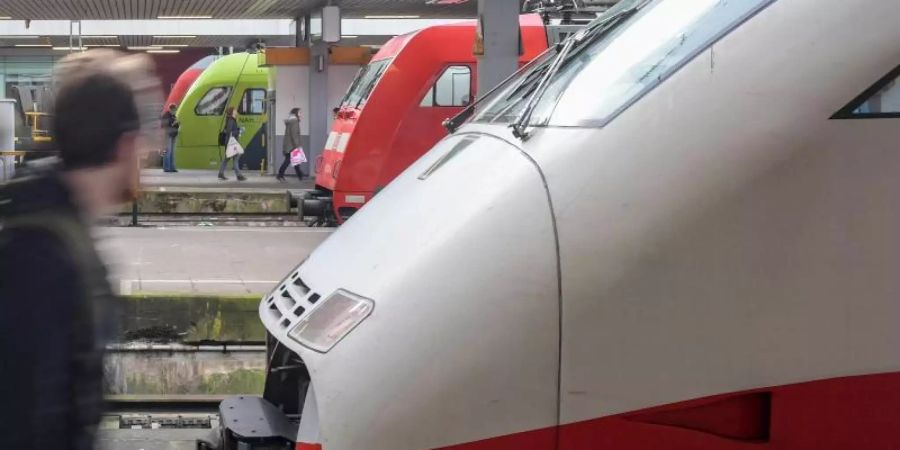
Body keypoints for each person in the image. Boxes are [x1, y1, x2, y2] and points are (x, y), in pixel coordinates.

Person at [0, 49, 162, 450]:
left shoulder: (50, 224)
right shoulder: (42, 258)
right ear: (126, 146)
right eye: (146, 137)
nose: (151, 149)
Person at [277, 107, 305, 182]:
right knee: (288, 160)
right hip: (292, 145)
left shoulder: (291, 121)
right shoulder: (295, 121)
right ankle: (280, 175)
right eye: (300, 112)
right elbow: (294, 134)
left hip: (289, 144)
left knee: (296, 161)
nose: (301, 114)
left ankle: (300, 175)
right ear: (296, 113)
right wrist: (297, 146)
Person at [218, 106, 246, 181]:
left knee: (228, 158)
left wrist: (238, 129)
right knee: (236, 157)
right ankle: (239, 175)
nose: (236, 112)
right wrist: (239, 131)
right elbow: (229, 132)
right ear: (232, 112)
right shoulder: (231, 120)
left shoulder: (231, 120)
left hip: (231, 142)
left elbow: (229, 130)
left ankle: (221, 173)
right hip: (231, 143)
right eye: (235, 111)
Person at [161, 103, 179, 172]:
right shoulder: (166, 116)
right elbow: (164, 125)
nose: (175, 111)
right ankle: (167, 168)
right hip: (167, 135)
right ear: (170, 109)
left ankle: (172, 167)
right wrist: (173, 123)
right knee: (168, 152)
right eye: (174, 110)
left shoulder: (173, 116)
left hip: (173, 135)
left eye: (175, 110)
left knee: (172, 152)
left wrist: (177, 124)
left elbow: (176, 125)